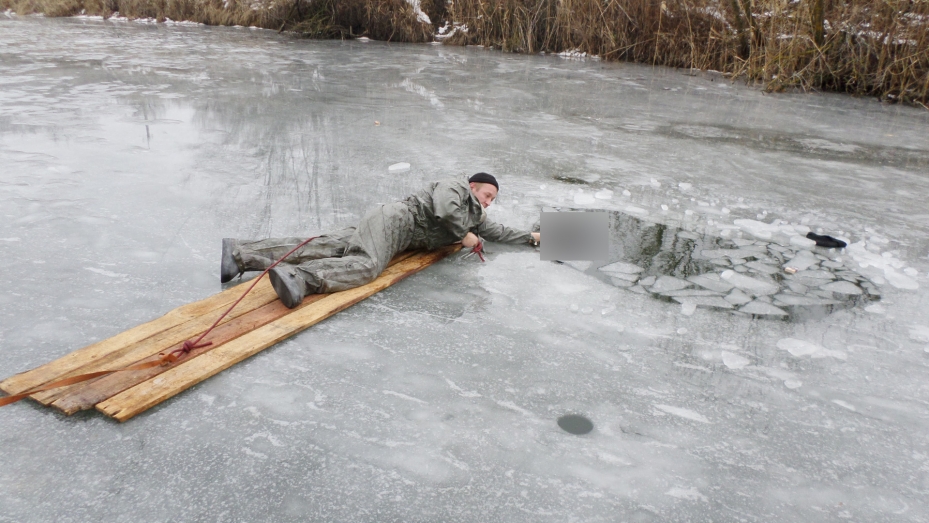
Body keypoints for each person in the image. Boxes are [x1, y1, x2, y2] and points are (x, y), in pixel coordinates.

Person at [220, 173, 542, 308]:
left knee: (325, 245)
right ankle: (300, 278)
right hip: (395, 222)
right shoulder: (454, 186)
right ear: (473, 187)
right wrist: (464, 234)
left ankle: (240, 253)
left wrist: (532, 237)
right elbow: (444, 211)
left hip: (393, 231)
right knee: (367, 266)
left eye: (492, 200)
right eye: (487, 195)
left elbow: (500, 232)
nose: (488, 202)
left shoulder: (475, 215)